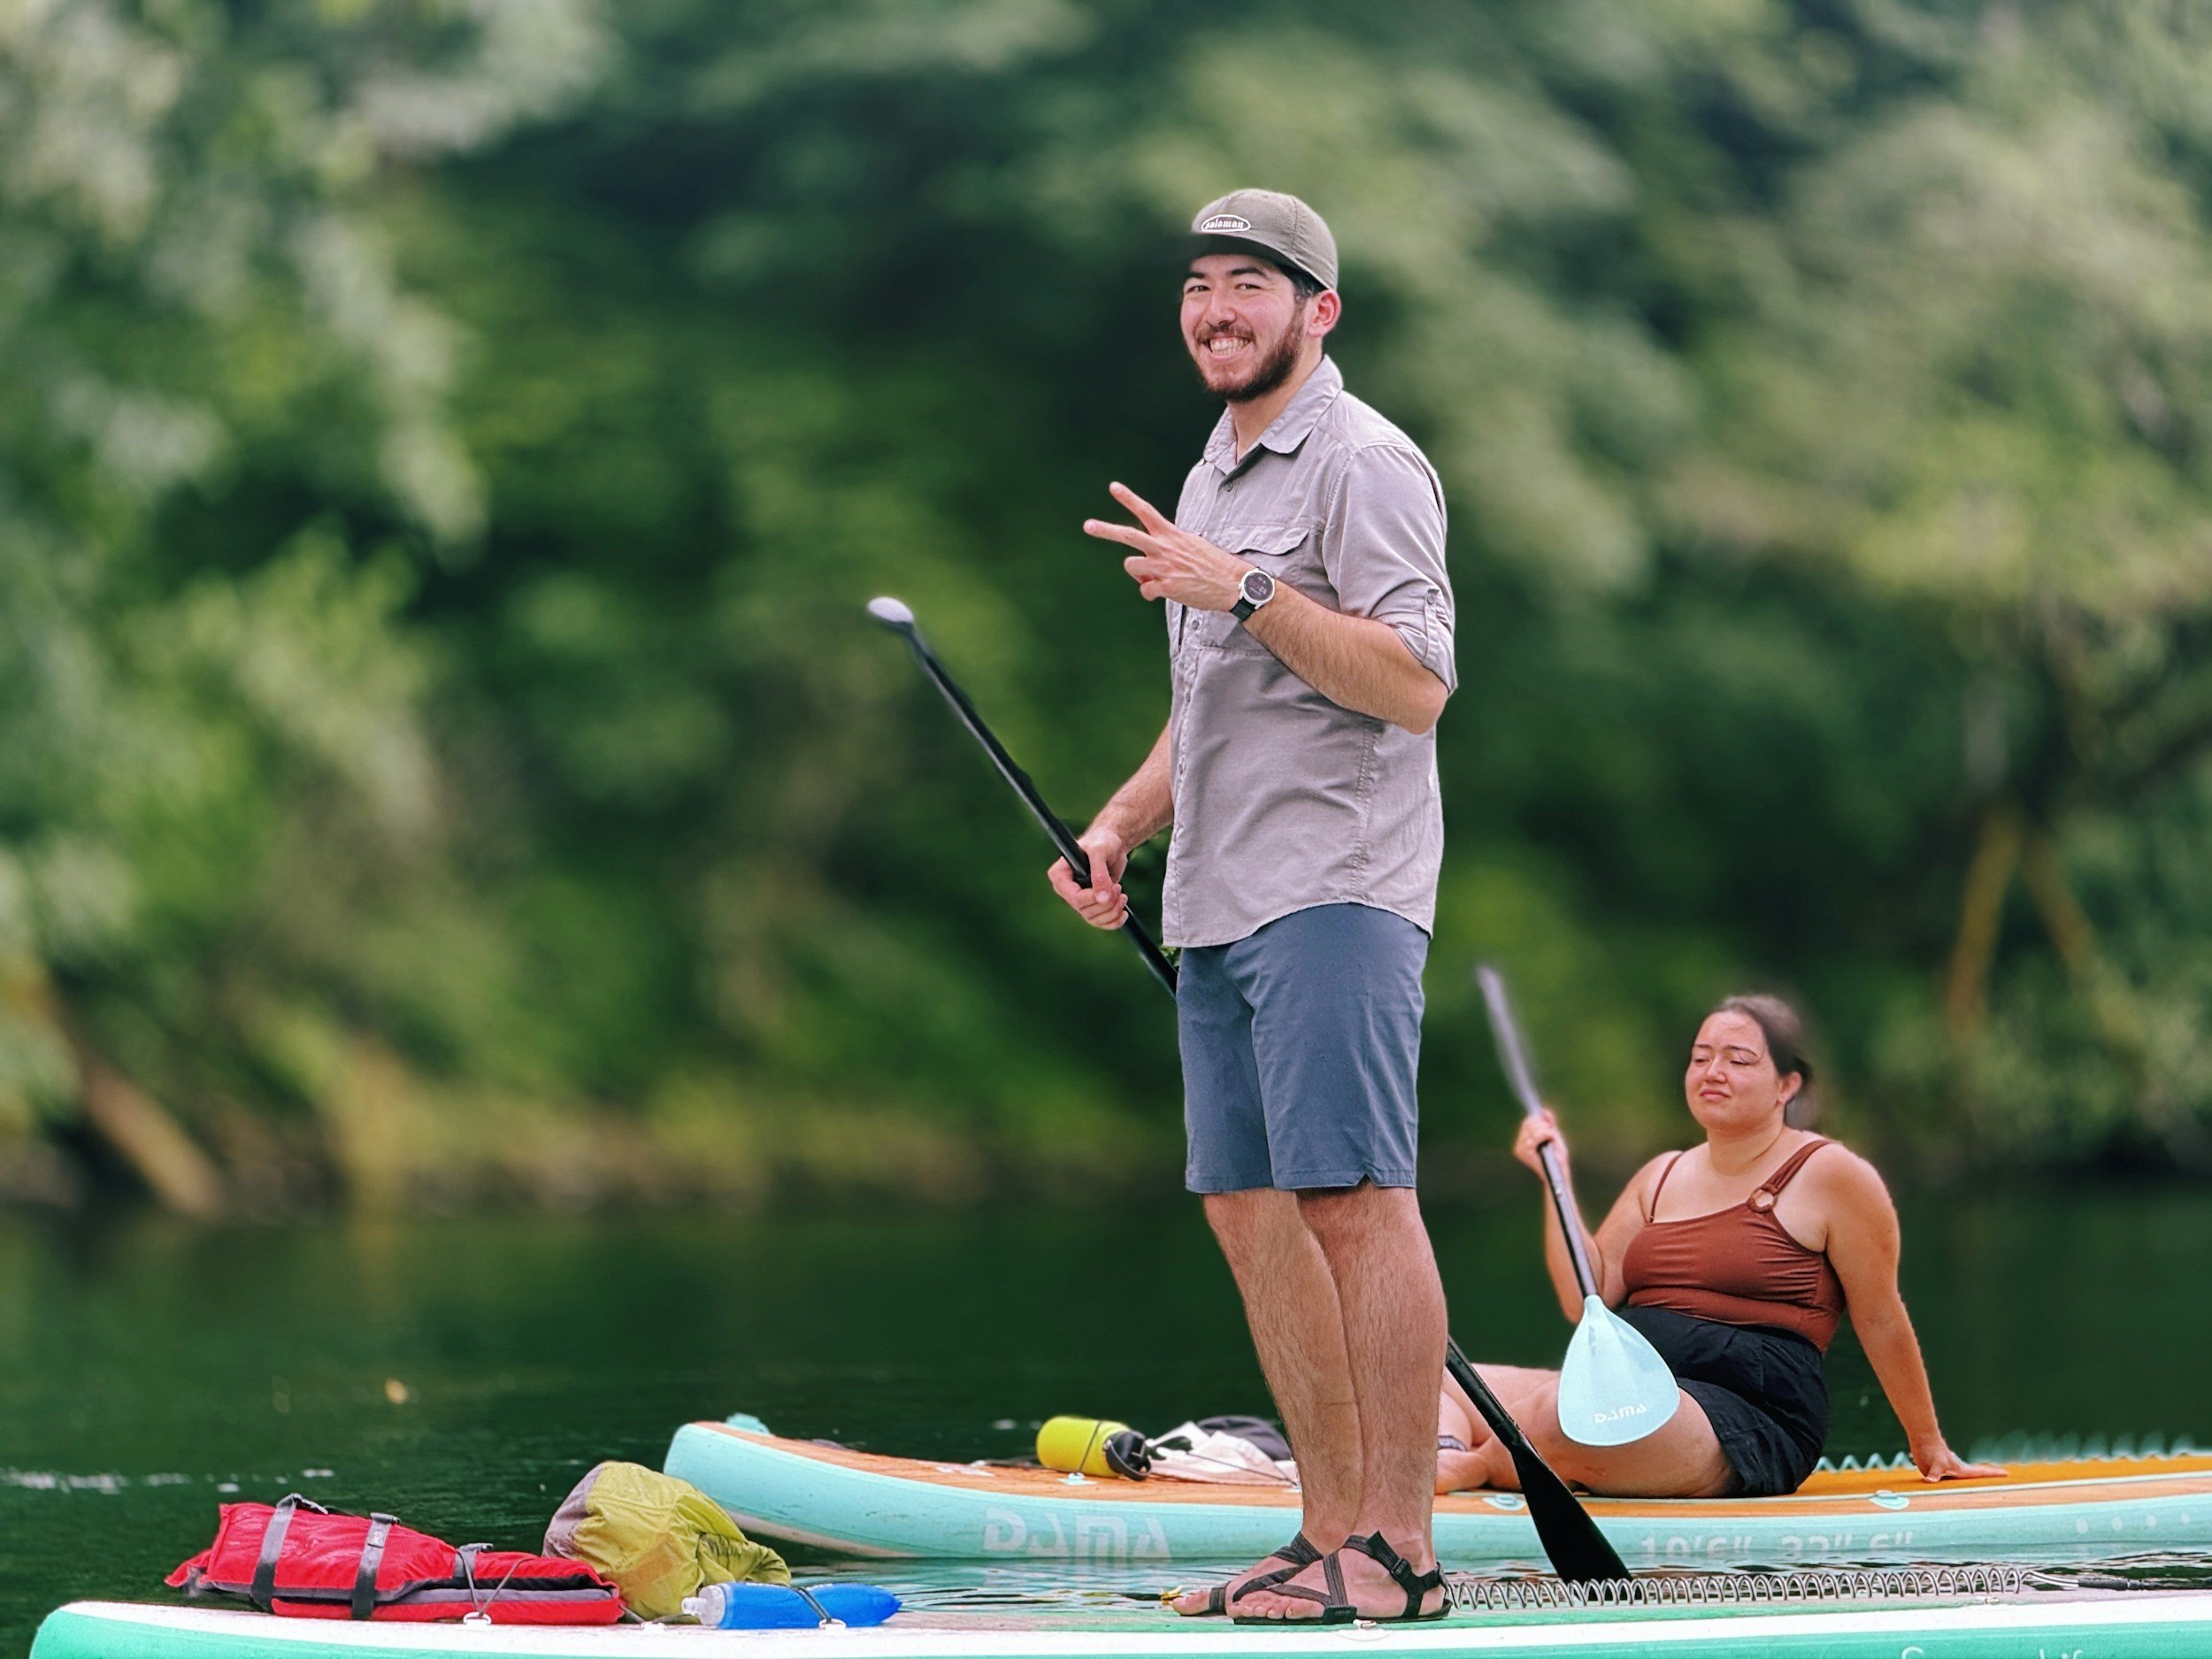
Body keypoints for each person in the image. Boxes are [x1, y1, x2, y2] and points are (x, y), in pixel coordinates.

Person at [1048, 189, 1456, 1624]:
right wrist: (1114, 827)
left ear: (1318, 311)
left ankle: (1400, 1552)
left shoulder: (1367, 462)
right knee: (1248, 1211)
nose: (1216, 311)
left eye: (1251, 287)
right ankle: (1326, 1528)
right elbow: (1203, 703)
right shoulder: (1213, 471)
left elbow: (1414, 683)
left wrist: (1247, 590)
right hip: (1215, 899)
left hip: (1337, 888)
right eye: (1199, 286)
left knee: (1353, 1199)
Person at [1436, 995, 2004, 1500]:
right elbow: (1587, 1295)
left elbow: (1880, 1316)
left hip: (1745, 1416)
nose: (1713, 1071)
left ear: (1788, 1085)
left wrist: (1928, 1445)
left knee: (1558, 1417)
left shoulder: (1833, 1175)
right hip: (1630, 1385)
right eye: (1701, 1056)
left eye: (1738, 1059)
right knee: (1434, 1374)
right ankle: (1448, 1456)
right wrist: (1552, 1178)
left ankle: (1470, 1468)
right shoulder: (1659, 1175)